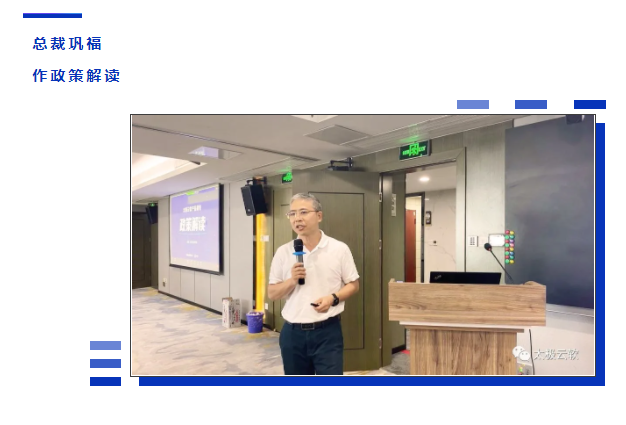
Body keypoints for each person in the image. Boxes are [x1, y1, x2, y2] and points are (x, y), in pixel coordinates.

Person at [267, 193, 360, 375]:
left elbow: (353, 284)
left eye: (303, 212)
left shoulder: (339, 249)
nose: (297, 218)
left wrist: (333, 298)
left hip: (327, 333)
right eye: (292, 214)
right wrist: (292, 280)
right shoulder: (283, 252)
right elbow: (272, 293)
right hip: (292, 334)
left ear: (319, 216)